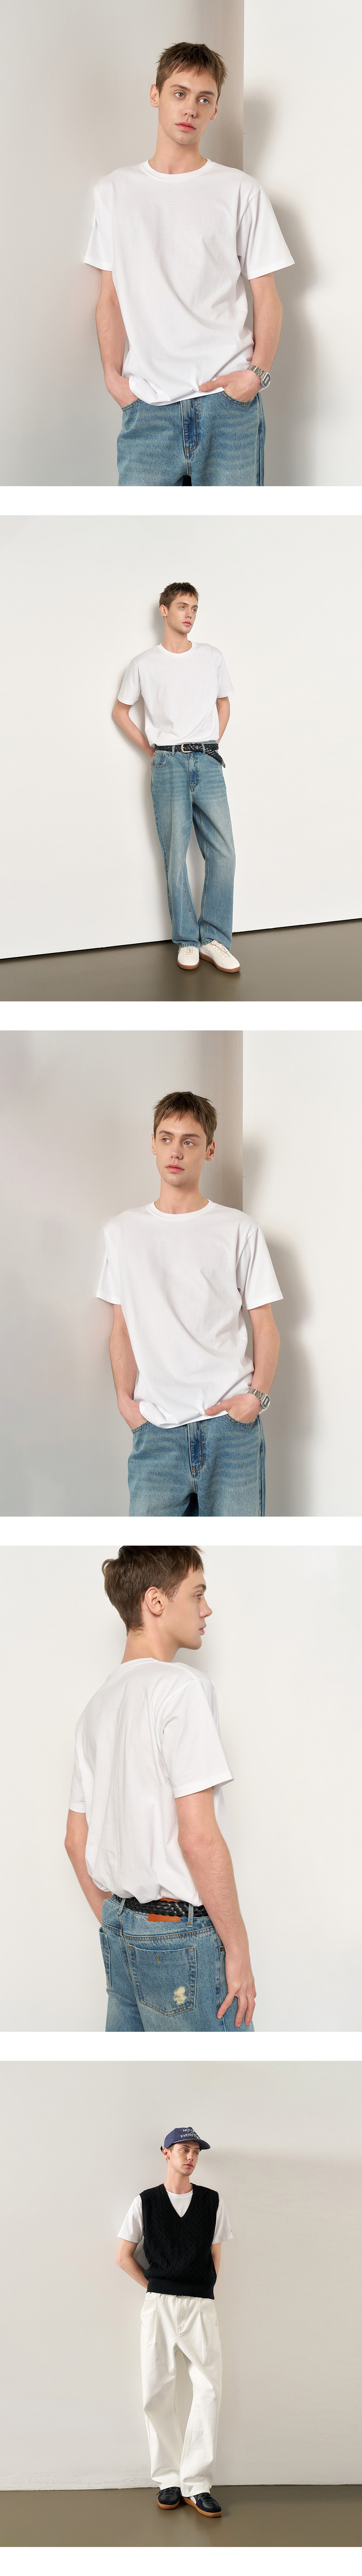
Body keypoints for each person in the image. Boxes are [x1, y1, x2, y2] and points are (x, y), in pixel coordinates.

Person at [64, 1543, 256, 2034]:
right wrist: (238, 1948)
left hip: (121, 1933)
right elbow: (199, 1837)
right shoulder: (181, 1687)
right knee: (224, 2070)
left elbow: (74, 1839)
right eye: (197, 1594)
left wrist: (120, 1923)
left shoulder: (96, 1707)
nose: (207, 1609)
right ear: (155, 1601)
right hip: (180, 1936)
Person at [84, 39, 294, 488]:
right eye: (179, 93)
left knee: (232, 531)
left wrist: (255, 376)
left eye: (204, 99)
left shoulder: (241, 191)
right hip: (147, 408)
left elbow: (266, 297)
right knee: (142, 531)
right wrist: (114, 381)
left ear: (215, 110)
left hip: (227, 408)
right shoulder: (114, 193)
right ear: (156, 95)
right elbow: (110, 297)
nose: (190, 109)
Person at [96, 1088, 282, 1517]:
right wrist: (126, 1404)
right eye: (166, 1138)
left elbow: (265, 1324)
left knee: (238, 1547)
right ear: (153, 1144)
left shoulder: (239, 1229)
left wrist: (256, 1397)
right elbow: (120, 1327)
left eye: (189, 1141)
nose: (176, 1151)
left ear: (209, 1150)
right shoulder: (122, 1232)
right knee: (150, 1550)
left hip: (229, 1430)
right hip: (156, 1432)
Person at [113, 579, 240, 974]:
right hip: (167, 763)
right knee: (175, 856)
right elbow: (120, 712)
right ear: (164, 610)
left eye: (195, 608)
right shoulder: (143, 664)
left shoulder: (211, 657)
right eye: (183, 607)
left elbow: (224, 704)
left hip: (207, 760)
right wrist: (152, 752)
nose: (190, 615)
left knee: (224, 852)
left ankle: (214, 939)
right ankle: (187, 939)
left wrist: (210, 745)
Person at [117, 2123, 231, 2515]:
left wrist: (202, 2288)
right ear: (166, 2153)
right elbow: (123, 2256)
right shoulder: (146, 2202)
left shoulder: (212, 2201)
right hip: (160, 2304)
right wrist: (156, 2287)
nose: (191, 2157)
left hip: (200, 2305)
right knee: (157, 2390)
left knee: (210, 2390)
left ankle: (198, 2483)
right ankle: (169, 2479)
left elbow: (215, 2255)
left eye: (196, 2151)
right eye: (184, 2150)